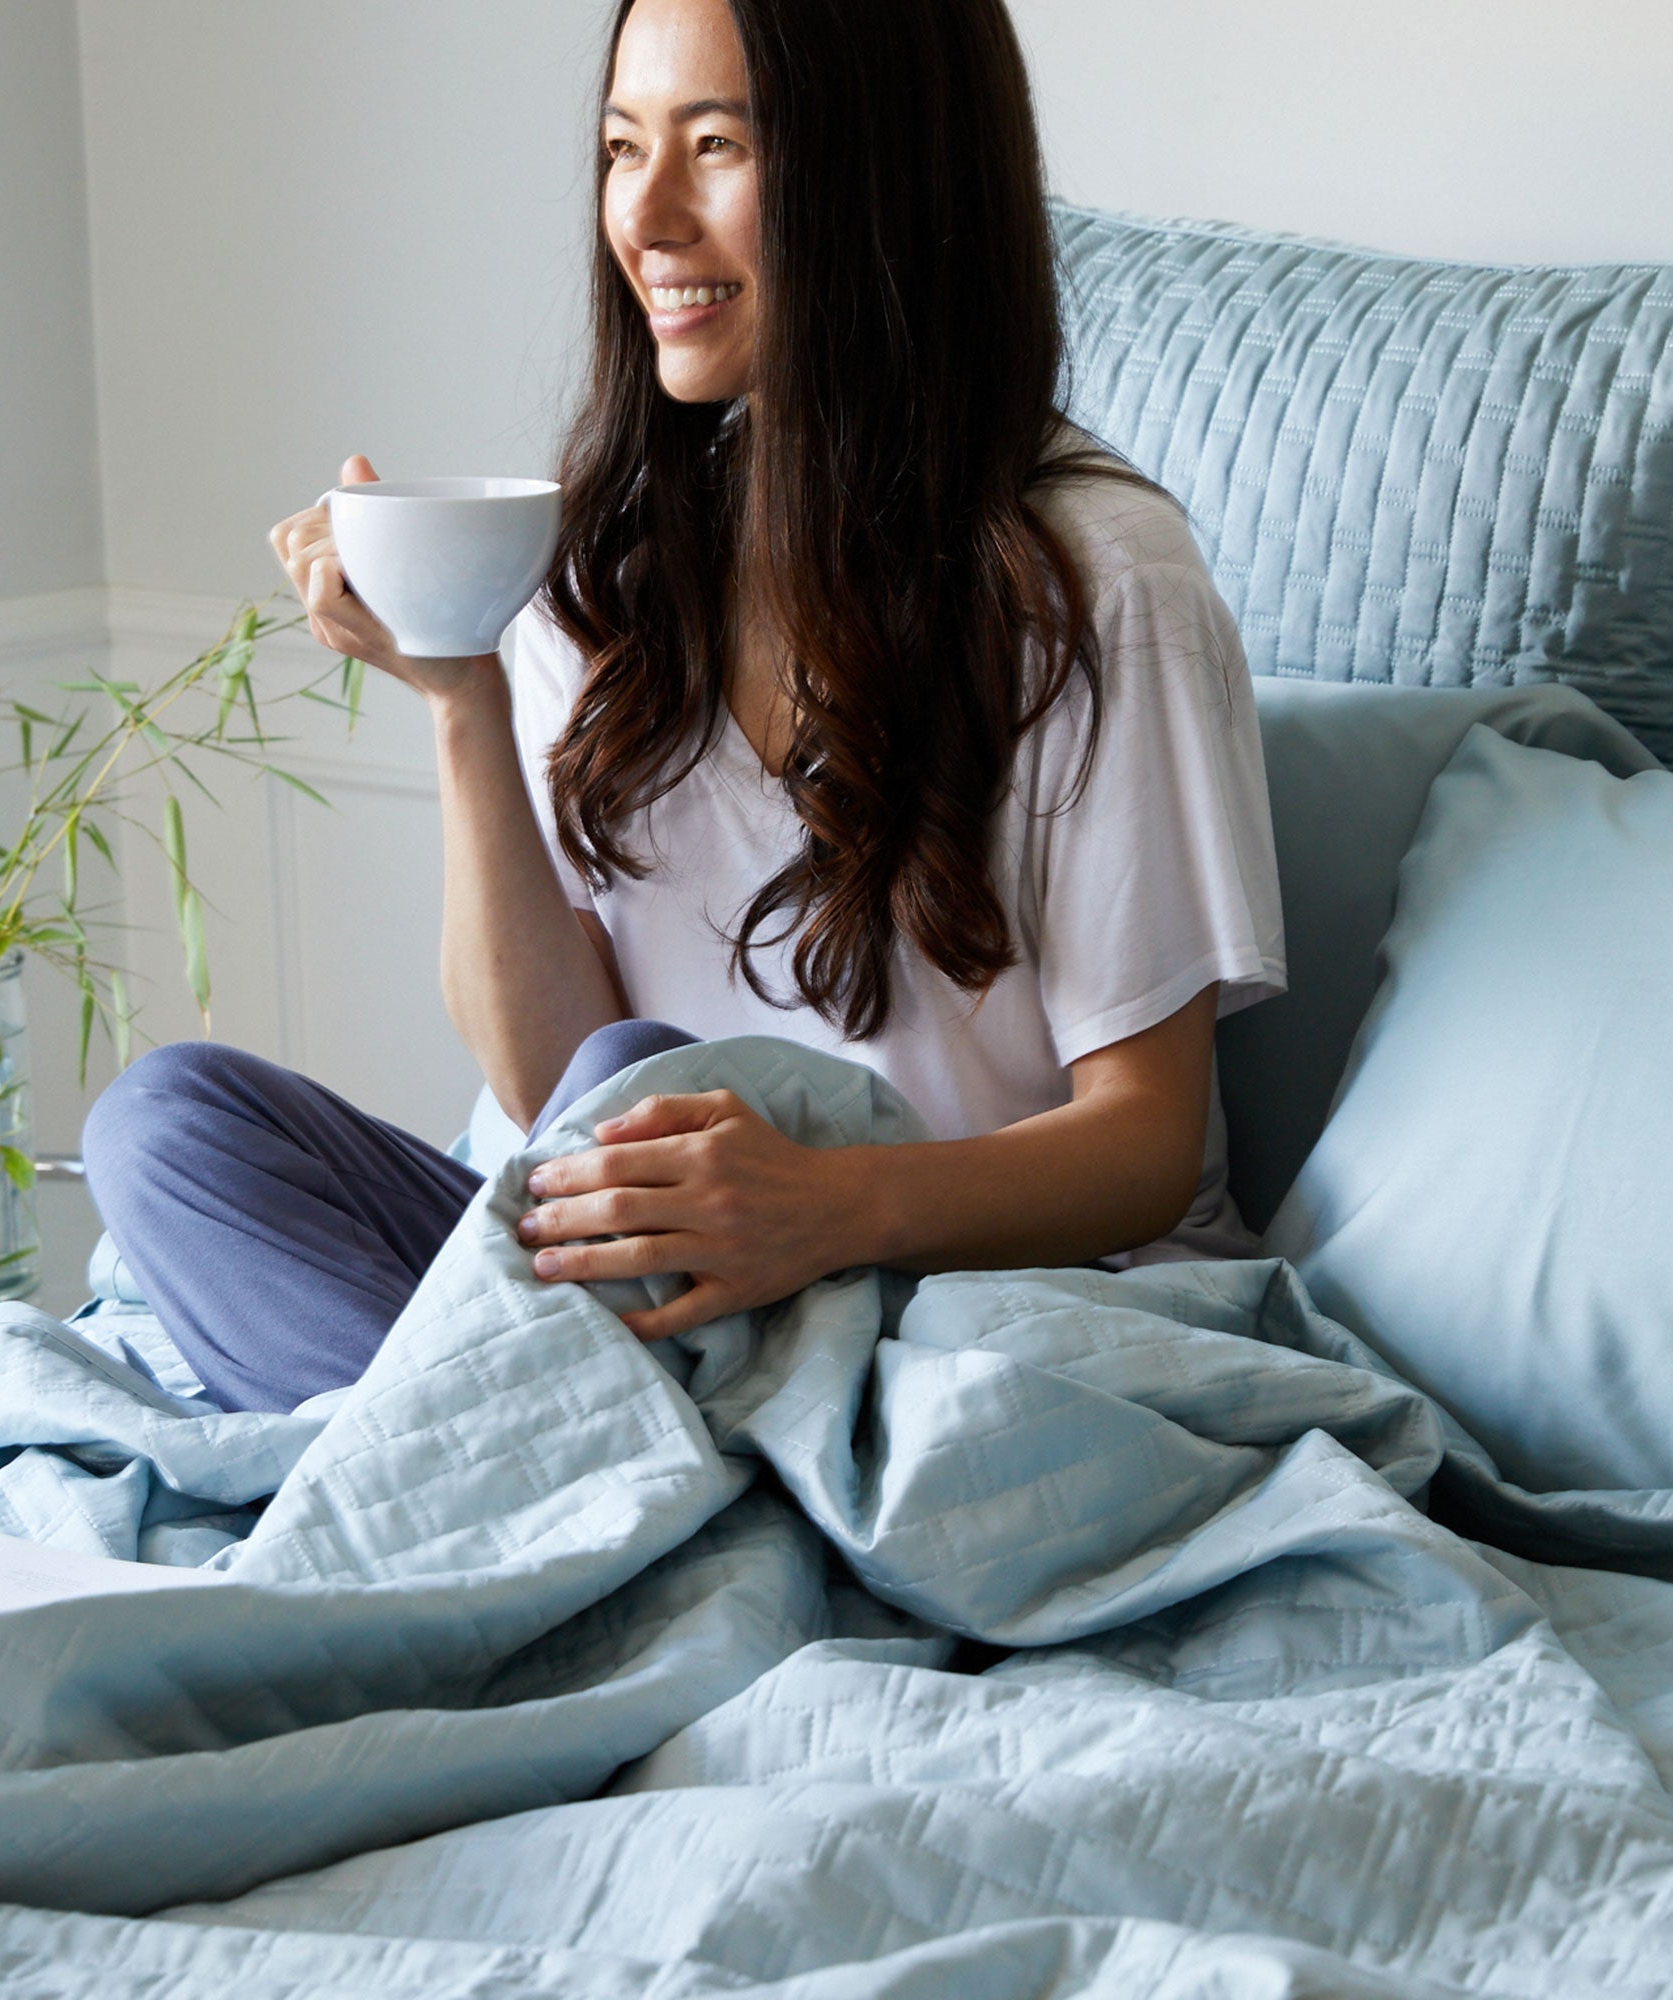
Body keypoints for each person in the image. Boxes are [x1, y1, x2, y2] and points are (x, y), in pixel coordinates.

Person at [83, 0, 1286, 1416]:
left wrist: (824, 1207)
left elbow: (1141, 1145)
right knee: (166, 1128)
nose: (643, 216)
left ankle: (496, 1474)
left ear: (884, 181)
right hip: (659, 1311)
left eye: (714, 147)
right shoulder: (605, 566)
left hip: (962, 1318)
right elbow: (544, 1093)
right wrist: (460, 690)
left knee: (634, 1080)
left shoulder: (1093, 587)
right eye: (619, 148)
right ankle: (557, 1476)